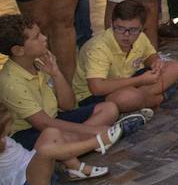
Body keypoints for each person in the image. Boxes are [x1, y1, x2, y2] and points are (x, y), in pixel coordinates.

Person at [0, 15, 128, 154]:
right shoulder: (11, 82)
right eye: (37, 37)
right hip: (27, 133)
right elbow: (43, 123)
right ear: (18, 50)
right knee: (57, 137)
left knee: (109, 108)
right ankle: (90, 141)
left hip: (54, 119)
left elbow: (68, 105)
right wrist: (93, 130)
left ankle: (83, 144)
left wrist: (56, 73)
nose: (44, 38)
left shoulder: (40, 61)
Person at [72, 0, 178, 114]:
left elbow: (150, 55)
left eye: (133, 30)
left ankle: (140, 100)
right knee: (127, 97)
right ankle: (157, 99)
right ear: (111, 24)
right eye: (120, 28)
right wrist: (140, 80)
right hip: (93, 96)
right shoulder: (98, 48)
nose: (126, 35)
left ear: (142, 28)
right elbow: (97, 88)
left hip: (128, 82)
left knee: (174, 67)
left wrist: (155, 63)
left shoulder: (140, 37)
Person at [0, 103, 113, 185]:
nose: (10, 129)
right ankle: (98, 141)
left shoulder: (3, 138)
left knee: (51, 132)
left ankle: (76, 168)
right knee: (46, 151)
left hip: (32, 168)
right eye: (7, 126)